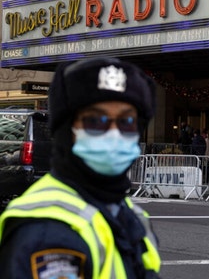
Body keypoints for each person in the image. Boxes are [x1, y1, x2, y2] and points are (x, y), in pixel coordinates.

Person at [0, 57, 161, 277]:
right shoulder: (48, 229)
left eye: (126, 121)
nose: (113, 134)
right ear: (66, 131)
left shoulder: (127, 212)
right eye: (95, 121)